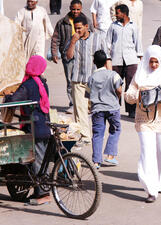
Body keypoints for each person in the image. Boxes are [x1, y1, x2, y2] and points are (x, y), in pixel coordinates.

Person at [124, 45, 161, 203]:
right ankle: (150, 189)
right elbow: (128, 95)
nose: (154, 65)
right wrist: (139, 95)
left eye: (157, 62)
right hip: (145, 121)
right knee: (147, 153)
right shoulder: (140, 75)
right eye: (151, 62)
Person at [5, 55, 51, 204]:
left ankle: (43, 194)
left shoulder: (29, 84)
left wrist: (7, 97)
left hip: (34, 128)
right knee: (42, 160)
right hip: (45, 126)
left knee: (37, 160)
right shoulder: (43, 83)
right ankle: (41, 190)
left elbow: (14, 101)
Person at [66, 16, 110, 146]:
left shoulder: (98, 38)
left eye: (80, 28)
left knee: (96, 109)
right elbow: (69, 56)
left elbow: (107, 57)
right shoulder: (74, 39)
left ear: (87, 26)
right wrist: (73, 42)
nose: (77, 31)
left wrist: (109, 76)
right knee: (80, 109)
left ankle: (98, 135)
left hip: (95, 80)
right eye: (76, 28)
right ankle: (85, 136)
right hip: (78, 79)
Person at [51, 0, 94, 114]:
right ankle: (72, 103)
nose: (75, 11)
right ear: (70, 8)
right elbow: (56, 38)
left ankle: (87, 104)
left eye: (78, 9)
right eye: (73, 9)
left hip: (84, 54)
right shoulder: (62, 22)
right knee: (70, 81)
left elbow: (93, 36)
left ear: (81, 8)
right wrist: (54, 53)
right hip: (68, 55)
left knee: (87, 80)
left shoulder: (87, 22)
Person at [106, 4, 143, 118]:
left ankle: (131, 110)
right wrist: (107, 58)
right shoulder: (113, 26)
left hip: (131, 60)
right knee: (116, 85)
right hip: (116, 60)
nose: (116, 15)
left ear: (124, 13)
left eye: (117, 13)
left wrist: (140, 58)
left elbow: (138, 43)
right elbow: (107, 42)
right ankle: (115, 108)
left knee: (130, 86)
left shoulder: (133, 26)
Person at [88, 50, 122, 168]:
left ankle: (96, 161)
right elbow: (119, 90)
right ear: (106, 62)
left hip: (97, 109)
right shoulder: (113, 75)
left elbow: (88, 95)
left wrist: (90, 108)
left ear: (94, 62)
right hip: (112, 108)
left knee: (97, 134)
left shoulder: (91, 77)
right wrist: (116, 98)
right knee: (115, 129)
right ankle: (110, 155)